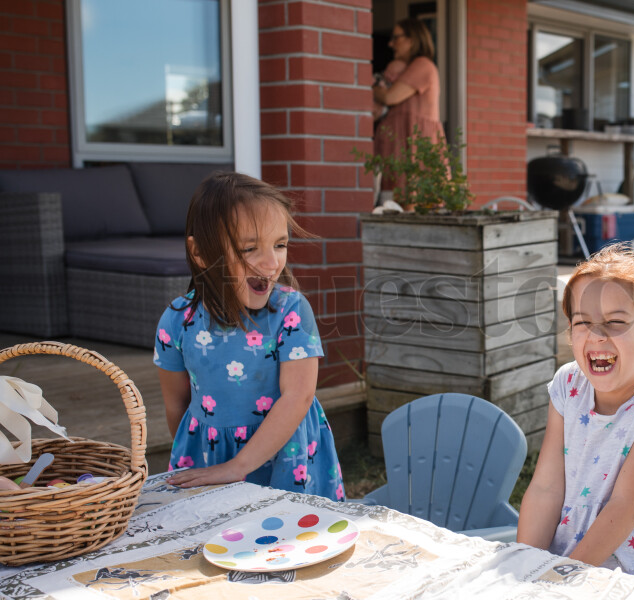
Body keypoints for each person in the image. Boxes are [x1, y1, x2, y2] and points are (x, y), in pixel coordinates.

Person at [516, 243, 634, 587]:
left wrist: (556, 582)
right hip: (560, 564)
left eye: (616, 322)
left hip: (631, 579)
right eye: (582, 322)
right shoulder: (569, 384)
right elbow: (545, 489)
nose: (597, 336)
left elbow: (624, 507)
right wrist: (526, 569)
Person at [154, 171, 344, 500]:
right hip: (211, 457)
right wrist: (204, 459)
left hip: (285, 460)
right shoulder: (177, 320)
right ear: (200, 254)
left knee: (286, 541)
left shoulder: (290, 310)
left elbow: (298, 397)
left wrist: (239, 465)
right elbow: (176, 405)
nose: (272, 263)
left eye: (280, 244)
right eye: (250, 248)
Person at [372, 17, 445, 194]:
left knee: (412, 200)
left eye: (396, 37)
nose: (391, 43)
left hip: (413, 146)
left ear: (412, 39)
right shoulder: (403, 68)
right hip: (400, 145)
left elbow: (390, 97)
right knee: (394, 203)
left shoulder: (423, 65)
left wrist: (372, 86)